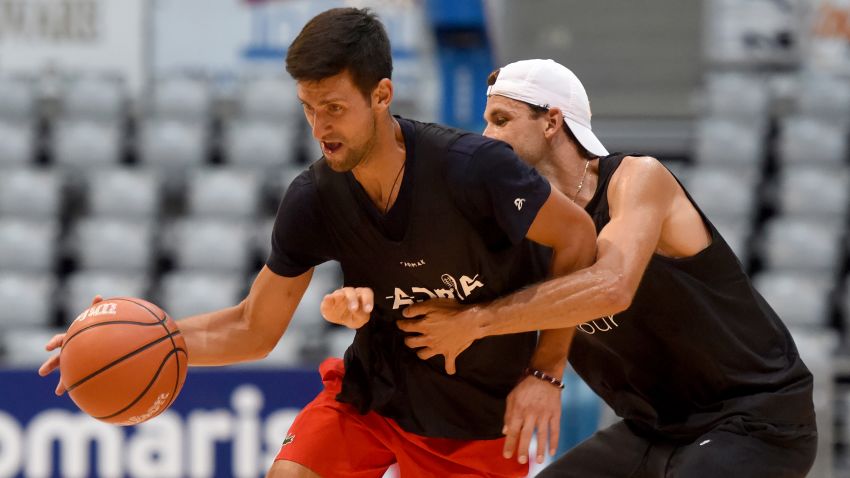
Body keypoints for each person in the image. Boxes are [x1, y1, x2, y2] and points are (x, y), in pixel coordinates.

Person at [39, 13, 597, 478]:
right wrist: (127, 343)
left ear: (382, 95)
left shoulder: (474, 170)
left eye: (333, 107)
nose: (319, 126)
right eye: (308, 107)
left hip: (478, 420)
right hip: (370, 400)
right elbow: (253, 328)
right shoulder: (314, 197)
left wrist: (545, 373)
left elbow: (578, 239)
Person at [396, 59, 818, 477]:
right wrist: (360, 296)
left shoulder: (637, 179)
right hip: (654, 430)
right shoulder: (519, 227)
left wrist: (475, 322)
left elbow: (610, 288)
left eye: (501, 120)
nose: (486, 137)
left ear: (551, 122)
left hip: (754, 420)